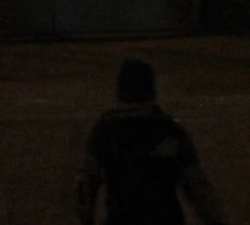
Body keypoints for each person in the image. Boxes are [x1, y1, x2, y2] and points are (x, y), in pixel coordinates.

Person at [74, 57, 227, 225]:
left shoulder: (105, 130)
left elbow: (85, 186)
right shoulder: (171, 130)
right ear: (152, 89)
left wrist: (87, 220)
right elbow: (198, 187)